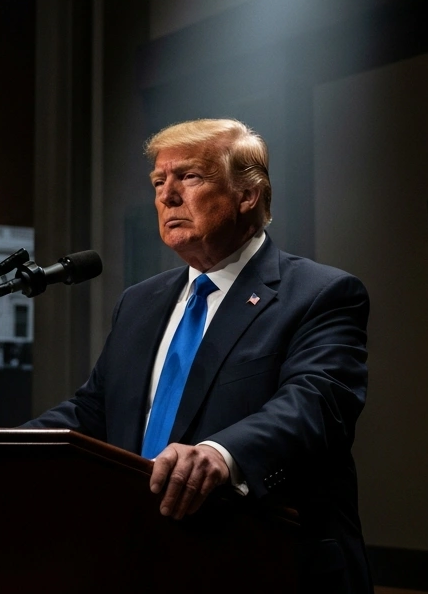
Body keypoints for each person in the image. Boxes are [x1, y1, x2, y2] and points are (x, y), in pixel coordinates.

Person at [23, 118, 372, 593]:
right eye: (158, 183)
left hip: (266, 561)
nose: (167, 197)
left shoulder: (320, 293)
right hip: (143, 559)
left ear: (248, 194)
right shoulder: (140, 302)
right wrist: (3, 448)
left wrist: (221, 453)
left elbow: (315, 404)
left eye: (189, 177)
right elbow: (94, 412)